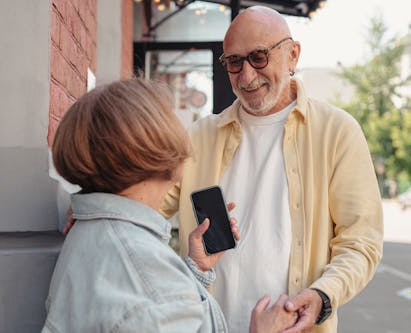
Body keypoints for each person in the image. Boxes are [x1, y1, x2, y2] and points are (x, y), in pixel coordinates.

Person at [161, 6, 384, 333]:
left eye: (259, 57)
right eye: (234, 62)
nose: (247, 76)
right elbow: (148, 201)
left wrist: (323, 295)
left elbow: (361, 243)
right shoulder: (198, 136)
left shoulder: (337, 132)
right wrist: (103, 202)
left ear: (292, 55)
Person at [43, 78, 298, 332]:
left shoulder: (92, 232)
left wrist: (194, 270)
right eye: (170, 124)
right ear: (154, 150)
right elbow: (153, 299)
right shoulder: (150, 279)